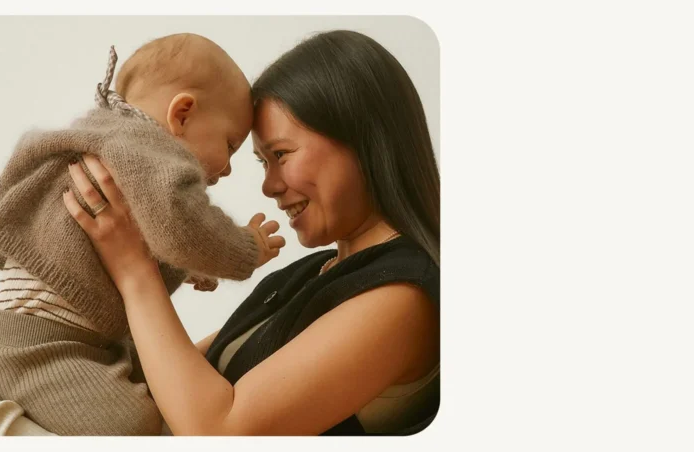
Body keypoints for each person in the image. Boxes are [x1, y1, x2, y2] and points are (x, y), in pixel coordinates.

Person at [61, 30, 440, 435]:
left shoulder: (402, 296)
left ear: (363, 139)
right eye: (263, 163)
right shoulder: (311, 273)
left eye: (281, 155)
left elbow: (219, 431)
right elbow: (162, 384)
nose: (269, 186)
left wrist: (134, 269)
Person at [0, 33, 285, 436]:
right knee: (137, 424)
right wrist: (246, 248)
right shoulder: (149, 155)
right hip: (41, 350)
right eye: (230, 143)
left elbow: (137, 233)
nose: (227, 169)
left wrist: (191, 268)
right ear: (183, 114)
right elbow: (182, 227)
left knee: (165, 382)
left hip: (68, 339)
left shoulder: (110, 139)